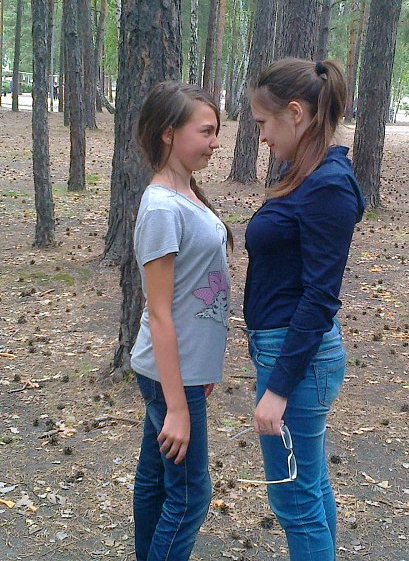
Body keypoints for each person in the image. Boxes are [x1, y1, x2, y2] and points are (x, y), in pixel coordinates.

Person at [244, 57, 365, 560]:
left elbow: (319, 298)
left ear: (295, 113)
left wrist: (278, 390)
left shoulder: (327, 186)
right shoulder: (304, 175)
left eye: (264, 123)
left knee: (294, 500)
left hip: (296, 360)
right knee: (309, 488)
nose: (261, 137)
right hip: (288, 352)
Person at [131, 81, 232, 561]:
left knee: (156, 480)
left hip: (184, 371)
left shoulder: (186, 192)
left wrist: (203, 368)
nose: (215, 142)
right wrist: (176, 405)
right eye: (206, 131)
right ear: (169, 133)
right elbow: (159, 312)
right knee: (191, 496)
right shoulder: (161, 208)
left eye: (217, 131)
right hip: (171, 377)